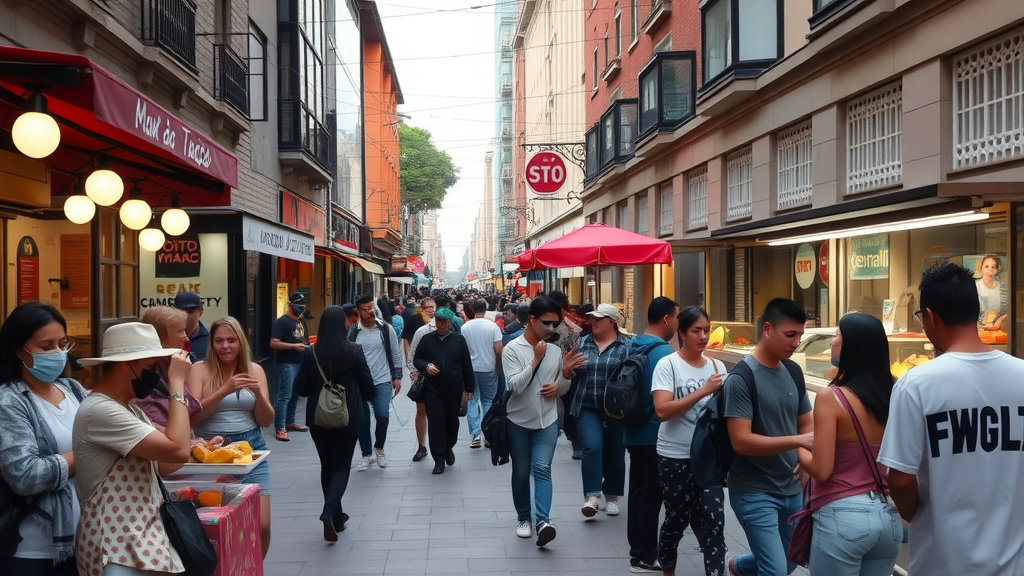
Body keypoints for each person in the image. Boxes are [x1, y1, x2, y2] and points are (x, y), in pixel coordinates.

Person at [879, 263, 1024, 576]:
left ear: (929, 316)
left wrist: (921, 514)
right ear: (975, 310)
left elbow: (900, 479)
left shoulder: (916, 384)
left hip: (942, 563)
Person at [72, 323, 192, 576]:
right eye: (151, 368)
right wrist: (177, 383)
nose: (157, 375)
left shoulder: (129, 408)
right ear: (126, 364)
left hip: (140, 547)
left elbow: (167, 464)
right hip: (117, 552)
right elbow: (178, 451)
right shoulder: (100, 410)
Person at [796, 313, 900, 576]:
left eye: (838, 335)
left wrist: (799, 446)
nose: (832, 342)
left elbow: (821, 469)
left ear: (853, 345)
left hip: (843, 517)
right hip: (889, 518)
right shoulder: (896, 392)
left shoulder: (832, 397)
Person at [724, 298, 813, 576]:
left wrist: (807, 461)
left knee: (790, 560)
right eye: (790, 335)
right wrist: (798, 443)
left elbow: (806, 425)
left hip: (791, 487)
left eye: (800, 335)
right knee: (774, 570)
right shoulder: (741, 378)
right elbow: (741, 441)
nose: (796, 342)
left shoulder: (794, 372)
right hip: (753, 490)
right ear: (767, 329)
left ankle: (739, 566)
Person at [0, 303, 85, 575]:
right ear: (18, 350)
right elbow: (25, 475)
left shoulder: (72, 389)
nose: (58, 354)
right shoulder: (9, 401)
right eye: (46, 347)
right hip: (33, 554)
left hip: (83, 544)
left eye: (63, 344)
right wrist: (89, 452)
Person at [187, 317, 275, 558]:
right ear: (211, 344)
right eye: (219, 341)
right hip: (211, 453)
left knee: (262, 524)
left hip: (251, 450)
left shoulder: (254, 369)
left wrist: (258, 394)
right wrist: (225, 390)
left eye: (231, 340)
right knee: (216, 522)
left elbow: (266, 420)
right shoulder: (199, 370)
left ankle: (254, 568)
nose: (225, 346)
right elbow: (191, 417)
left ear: (240, 342)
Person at [502, 297, 587, 547]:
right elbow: (515, 386)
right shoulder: (513, 349)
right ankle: (523, 519)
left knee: (542, 468)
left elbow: (561, 390)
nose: (552, 329)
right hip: (517, 420)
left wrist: (565, 376)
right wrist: (535, 360)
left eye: (556, 324)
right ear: (532, 319)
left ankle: (543, 522)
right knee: (520, 471)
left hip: (547, 420)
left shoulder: (554, 350)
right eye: (547, 323)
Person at [652, 307, 728, 576]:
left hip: (708, 459)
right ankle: (668, 569)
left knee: (714, 523)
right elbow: (662, 411)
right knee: (676, 520)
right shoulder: (668, 365)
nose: (703, 336)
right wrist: (703, 391)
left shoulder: (718, 367)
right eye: (697, 330)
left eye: (706, 330)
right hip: (675, 456)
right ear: (682, 333)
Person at [293, 306, 375, 541]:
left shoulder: (311, 353)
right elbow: (367, 385)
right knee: (341, 466)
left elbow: (301, 388)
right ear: (342, 325)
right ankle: (330, 511)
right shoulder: (354, 350)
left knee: (327, 465)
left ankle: (337, 518)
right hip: (348, 415)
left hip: (318, 418)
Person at [624, 296, 678, 573]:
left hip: (632, 431)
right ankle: (645, 555)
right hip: (654, 433)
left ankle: (637, 551)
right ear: (667, 319)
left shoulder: (634, 344)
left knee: (637, 493)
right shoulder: (665, 354)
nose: (678, 323)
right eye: (677, 318)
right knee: (651, 496)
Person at [570, 303, 628, 518]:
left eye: (598, 319)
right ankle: (592, 496)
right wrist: (568, 369)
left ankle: (611, 494)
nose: (592, 322)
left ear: (611, 322)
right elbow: (570, 373)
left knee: (615, 452)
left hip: (616, 410)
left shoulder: (625, 346)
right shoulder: (582, 343)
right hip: (586, 405)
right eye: (592, 318)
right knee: (592, 447)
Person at [412, 308, 476, 474]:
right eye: (438, 320)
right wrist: (426, 366)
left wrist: (470, 387)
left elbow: (466, 364)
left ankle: (449, 447)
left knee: (451, 423)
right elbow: (417, 359)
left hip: (454, 389)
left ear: (450, 323)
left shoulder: (458, 340)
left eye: (444, 321)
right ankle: (439, 459)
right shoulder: (427, 340)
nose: (441, 324)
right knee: (436, 423)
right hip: (433, 389)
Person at [350, 295, 403, 471]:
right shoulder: (353, 332)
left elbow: (395, 353)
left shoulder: (385, 329)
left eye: (371, 307)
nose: (369, 312)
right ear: (358, 312)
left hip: (382, 379)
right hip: (359, 382)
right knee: (362, 419)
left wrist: (397, 376)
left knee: (382, 415)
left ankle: (379, 447)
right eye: (365, 309)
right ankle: (367, 454)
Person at [137, 306, 203, 432]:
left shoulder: (172, 361)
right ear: (161, 336)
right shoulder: (145, 370)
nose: (186, 337)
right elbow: (147, 422)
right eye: (181, 331)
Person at [460, 299, 503, 449]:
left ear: (472, 309)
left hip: (471, 370)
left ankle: (476, 435)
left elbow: (462, 351)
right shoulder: (493, 327)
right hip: (489, 369)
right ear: (486, 309)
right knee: (488, 401)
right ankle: (488, 434)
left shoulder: (465, 327)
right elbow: (498, 349)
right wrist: (497, 367)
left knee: (472, 400)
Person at [270, 291, 310, 441]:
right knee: (285, 394)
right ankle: (280, 427)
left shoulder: (301, 321)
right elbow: (274, 342)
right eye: (298, 305)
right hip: (286, 363)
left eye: (303, 305)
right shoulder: (281, 322)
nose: (301, 308)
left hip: (300, 361)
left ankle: (290, 422)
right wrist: (293, 346)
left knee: (295, 394)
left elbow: (304, 339)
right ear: (290, 305)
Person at [405, 297, 436, 462]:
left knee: (439, 412)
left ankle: (440, 446)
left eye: (433, 306)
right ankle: (421, 446)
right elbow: (411, 352)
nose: (430, 310)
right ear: (421, 309)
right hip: (422, 375)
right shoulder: (420, 329)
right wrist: (413, 372)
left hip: (441, 376)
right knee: (421, 410)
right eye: (427, 307)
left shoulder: (448, 327)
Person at [173, 291, 209, 361]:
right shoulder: (167, 339)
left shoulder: (211, 340)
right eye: (180, 311)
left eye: (190, 312)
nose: (185, 315)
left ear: (200, 312)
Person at [975, 255, 1007, 330]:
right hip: (977, 330)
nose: (990, 270)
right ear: (981, 268)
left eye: (993, 267)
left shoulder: (1003, 288)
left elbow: (1009, 310)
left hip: (997, 330)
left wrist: (1000, 319)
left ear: (996, 270)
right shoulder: (974, 286)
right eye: (986, 266)